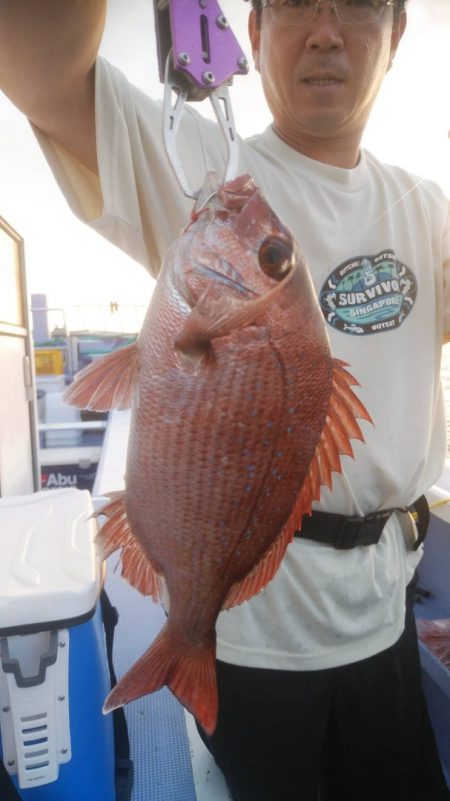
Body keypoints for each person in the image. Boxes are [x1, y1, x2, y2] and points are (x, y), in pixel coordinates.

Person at [1, 1, 449, 799]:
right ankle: (187, 639)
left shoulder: (428, 210)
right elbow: (40, 66)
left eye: (357, 5)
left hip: (386, 624)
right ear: (250, 29)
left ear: (397, 35)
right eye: (298, 4)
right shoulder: (203, 163)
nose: (325, 30)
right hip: (250, 646)